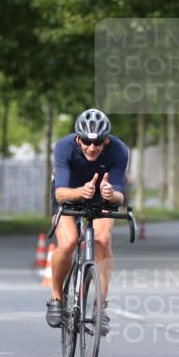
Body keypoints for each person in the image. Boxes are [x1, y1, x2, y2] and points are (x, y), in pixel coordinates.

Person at [46, 108, 129, 335]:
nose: (92, 147)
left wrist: (111, 194)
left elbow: (120, 196)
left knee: (102, 239)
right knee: (69, 241)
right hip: (69, 193)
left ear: (107, 141)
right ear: (77, 138)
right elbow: (60, 194)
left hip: (102, 195)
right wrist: (81, 191)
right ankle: (56, 296)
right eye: (86, 141)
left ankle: (100, 306)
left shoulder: (120, 151)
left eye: (98, 142)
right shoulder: (64, 147)